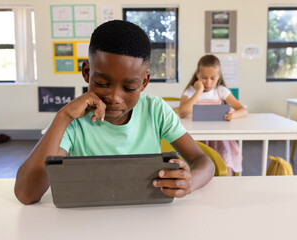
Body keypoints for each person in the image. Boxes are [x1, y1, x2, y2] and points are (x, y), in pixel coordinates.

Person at [14, 20, 215, 205]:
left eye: (129, 87)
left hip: (144, 217)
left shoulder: (155, 110)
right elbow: (26, 194)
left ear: (144, 82)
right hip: (90, 217)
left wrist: (191, 182)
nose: (114, 97)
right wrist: (63, 116)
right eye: (102, 83)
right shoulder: (73, 119)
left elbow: (203, 161)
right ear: (86, 73)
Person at [179, 55, 248, 176]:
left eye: (213, 78)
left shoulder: (221, 91)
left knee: (225, 160)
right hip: (197, 137)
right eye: (204, 78)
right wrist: (198, 91)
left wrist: (233, 115)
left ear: (219, 76)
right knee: (199, 164)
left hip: (219, 137)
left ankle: (226, 187)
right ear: (197, 75)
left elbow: (243, 110)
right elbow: (182, 113)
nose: (208, 82)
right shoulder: (190, 91)